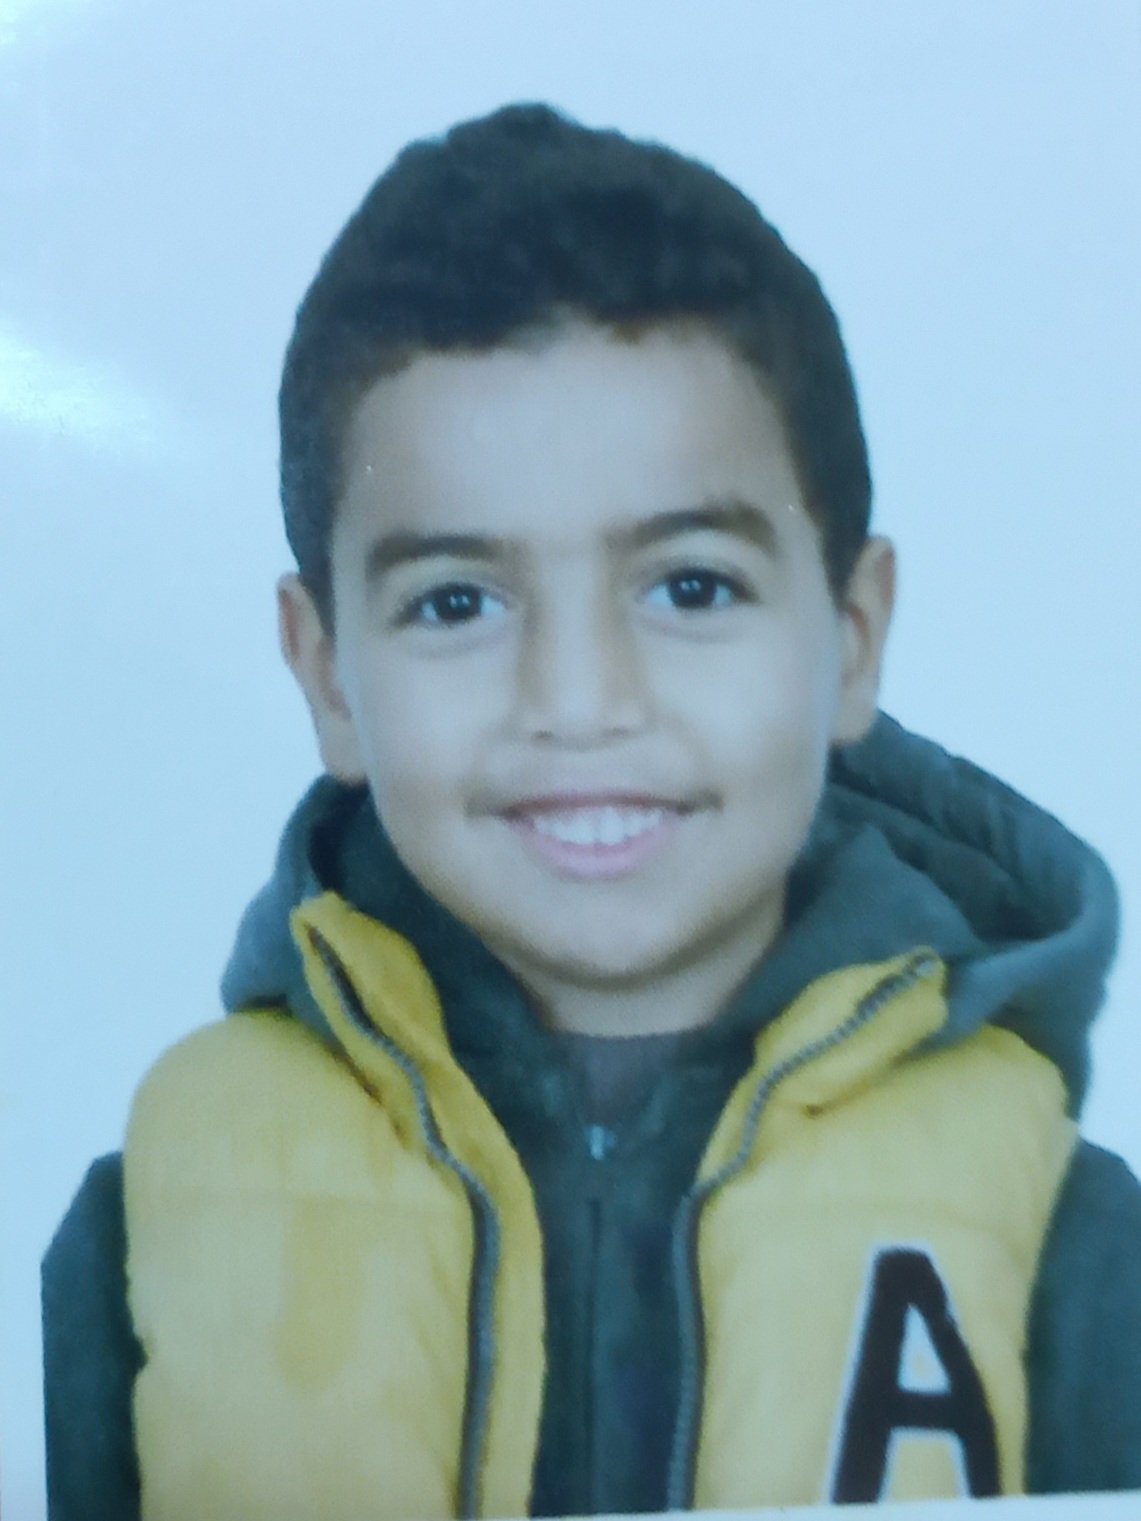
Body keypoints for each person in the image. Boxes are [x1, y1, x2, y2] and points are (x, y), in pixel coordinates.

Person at [42, 102, 1141, 1520]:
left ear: (852, 635)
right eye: (457, 601)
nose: (576, 699)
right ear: (325, 675)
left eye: (689, 585)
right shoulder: (150, 1226)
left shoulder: (1074, 1240)